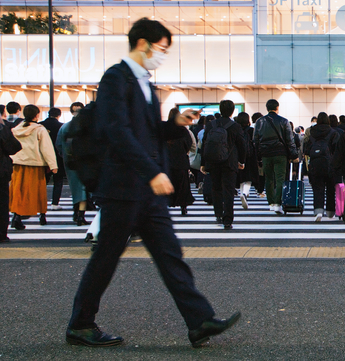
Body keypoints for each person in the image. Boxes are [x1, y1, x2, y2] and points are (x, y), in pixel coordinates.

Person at [67, 18, 240, 348]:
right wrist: (152, 172)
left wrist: (175, 123)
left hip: (144, 190)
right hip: (123, 187)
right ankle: (81, 324)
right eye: (161, 48)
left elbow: (147, 132)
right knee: (106, 257)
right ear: (142, 44)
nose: (162, 55)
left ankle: (199, 320)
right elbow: (118, 132)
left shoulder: (144, 82)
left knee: (169, 253)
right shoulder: (116, 78)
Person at [9, 105, 58, 229]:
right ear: (36, 115)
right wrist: (53, 165)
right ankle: (42, 215)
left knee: (19, 191)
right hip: (35, 164)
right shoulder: (39, 129)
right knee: (38, 190)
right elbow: (46, 148)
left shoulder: (16, 129)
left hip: (18, 164)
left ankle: (17, 215)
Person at [201, 100, 246, 229]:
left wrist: (203, 163)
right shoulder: (235, 126)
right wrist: (241, 161)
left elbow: (204, 144)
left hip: (213, 162)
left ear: (220, 109)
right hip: (229, 162)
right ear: (232, 111)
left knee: (216, 188)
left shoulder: (211, 125)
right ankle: (227, 219)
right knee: (228, 190)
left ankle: (218, 214)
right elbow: (242, 145)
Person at [254, 99, 299, 214]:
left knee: (268, 178)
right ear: (277, 108)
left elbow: (255, 140)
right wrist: (294, 154)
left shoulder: (260, 121)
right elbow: (289, 140)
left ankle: (271, 203)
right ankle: (278, 204)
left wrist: (258, 155)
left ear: (267, 108)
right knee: (280, 179)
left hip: (266, 154)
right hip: (280, 153)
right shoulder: (284, 121)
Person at [55, 103, 91, 226]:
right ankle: (80, 215)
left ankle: (76, 213)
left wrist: (65, 155)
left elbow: (59, 145)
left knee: (75, 187)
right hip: (85, 162)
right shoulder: (87, 126)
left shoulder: (65, 127)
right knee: (83, 189)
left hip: (69, 162)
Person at [305, 112, 339, 221]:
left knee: (318, 188)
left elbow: (306, 149)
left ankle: (318, 211)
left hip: (315, 163)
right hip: (330, 164)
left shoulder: (312, 132)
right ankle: (330, 212)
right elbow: (337, 149)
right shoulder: (333, 132)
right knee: (330, 188)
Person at [165, 108, 195, 216]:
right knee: (183, 186)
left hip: (167, 162)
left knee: (168, 185)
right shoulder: (183, 131)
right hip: (181, 162)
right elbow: (189, 144)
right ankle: (183, 206)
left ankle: (167, 204)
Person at [0, 116, 21, 243]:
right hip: (1, 171)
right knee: (2, 203)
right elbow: (14, 147)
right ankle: (1, 234)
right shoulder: (2, 129)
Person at [40, 107, 65, 211]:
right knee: (58, 181)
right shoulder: (61, 126)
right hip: (58, 157)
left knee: (43, 181)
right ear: (59, 115)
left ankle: (40, 202)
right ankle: (55, 203)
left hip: (42, 157)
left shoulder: (40, 125)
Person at [236, 112, 259, 209]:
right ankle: (245, 193)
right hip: (250, 156)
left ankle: (242, 193)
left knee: (241, 176)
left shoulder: (236, 130)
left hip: (238, 155)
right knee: (249, 177)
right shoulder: (251, 130)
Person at [251, 112, 266, 197]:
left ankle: (258, 189)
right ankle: (260, 190)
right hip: (262, 152)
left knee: (257, 172)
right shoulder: (262, 127)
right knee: (262, 173)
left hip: (252, 154)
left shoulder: (251, 128)